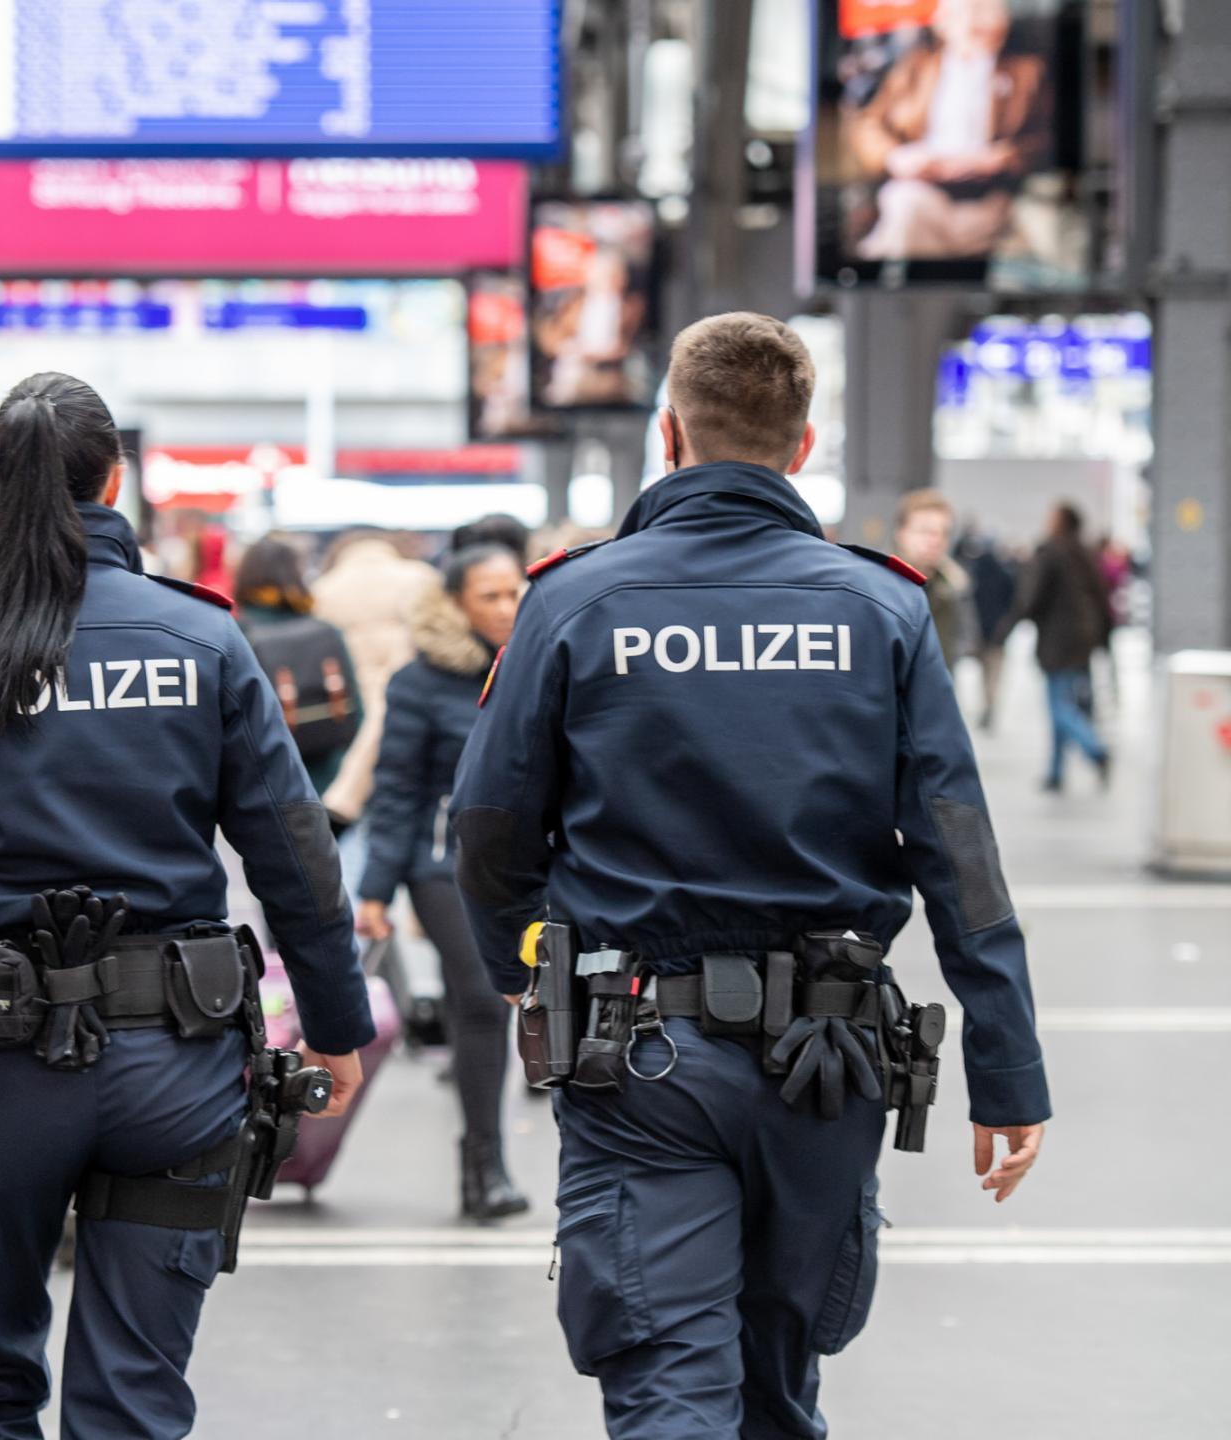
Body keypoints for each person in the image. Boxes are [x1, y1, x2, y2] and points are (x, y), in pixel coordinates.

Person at [449, 312, 1049, 1438]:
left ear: (667, 434)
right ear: (804, 446)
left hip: (637, 1058)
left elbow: (485, 831)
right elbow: (959, 856)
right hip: (824, 1062)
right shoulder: (881, 609)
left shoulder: (575, 602)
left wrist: (529, 972)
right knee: (776, 1387)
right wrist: (1008, 1070)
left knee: (671, 1382)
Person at [0, 372, 373, 1440]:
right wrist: (335, 1024)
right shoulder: (203, 640)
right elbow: (296, 853)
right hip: (174, 1070)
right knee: (134, 1400)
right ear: (116, 481)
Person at [355, 543, 531, 1222]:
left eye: (514, 591)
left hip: (529, 867)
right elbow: (395, 791)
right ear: (454, 602)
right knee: (486, 1000)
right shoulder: (420, 683)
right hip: (444, 864)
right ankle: (484, 1165)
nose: (505, 607)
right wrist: (375, 890)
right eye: (488, 595)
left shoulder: (538, 664)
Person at [846, 0, 1051, 261]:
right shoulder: (916, 67)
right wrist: (895, 157)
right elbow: (868, 125)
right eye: (967, 14)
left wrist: (1005, 157)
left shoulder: (1027, 73)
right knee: (906, 205)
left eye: (988, 13)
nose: (977, 24)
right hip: (923, 187)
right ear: (944, 24)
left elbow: (1046, 142)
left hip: (993, 196)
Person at [311, 532, 442, 832]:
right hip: (408, 678)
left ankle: (345, 805)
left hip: (351, 685)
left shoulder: (326, 586)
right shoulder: (419, 577)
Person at [995, 502, 1113, 792]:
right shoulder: (1084, 553)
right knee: (1065, 701)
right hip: (1084, 639)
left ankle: (1095, 749)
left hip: (1058, 642)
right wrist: (1103, 637)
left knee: (1059, 706)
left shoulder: (1050, 552)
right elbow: (1101, 597)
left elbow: (1032, 597)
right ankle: (1056, 772)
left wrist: (1006, 629)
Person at [233, 535, 362, 797]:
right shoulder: (326, 631)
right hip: (328, 770)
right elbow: (356, 710)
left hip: (264, 780)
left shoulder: (236, 635)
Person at [893, 489, 971, 671]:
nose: (936, 540)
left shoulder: (953, 586)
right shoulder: (876, 587)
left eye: (943, 533)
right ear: (901, 533)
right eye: (925, 531)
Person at [953, 520, 1018, 731]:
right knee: (993, 676)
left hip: (980, 632)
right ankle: (989, 707)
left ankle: (986, 708)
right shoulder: (1004, 573)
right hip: (996, 635)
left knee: (982, 674)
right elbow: (1013, 603)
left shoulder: (975, 574)